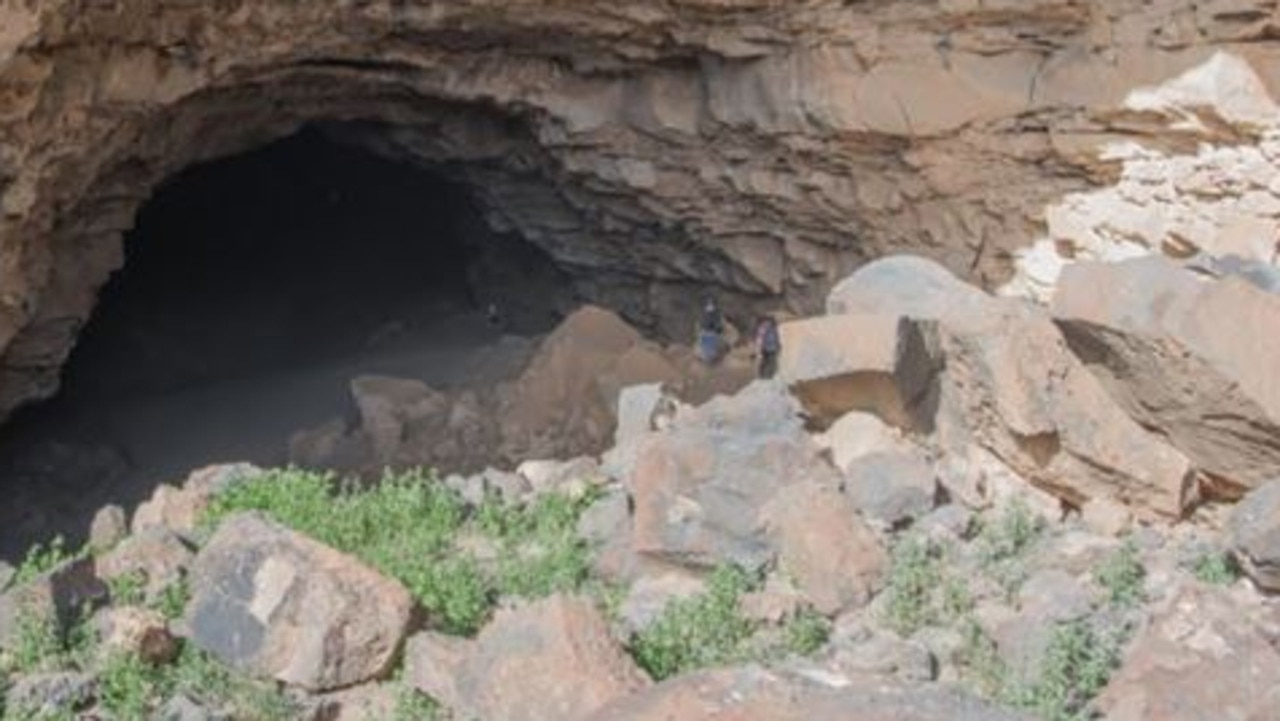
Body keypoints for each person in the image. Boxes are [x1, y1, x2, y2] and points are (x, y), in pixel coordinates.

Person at [696, 298, 724, 364]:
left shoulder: (715, 313)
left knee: (710, 344)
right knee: (706, 345)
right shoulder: (704, 314)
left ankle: (709, 357)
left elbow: (718, 323)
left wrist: (718, 328)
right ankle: (706, 357)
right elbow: (701, 323)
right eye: (709, 304)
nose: (710, 306)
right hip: (707, 332)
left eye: (711, 304)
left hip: (711, 333)